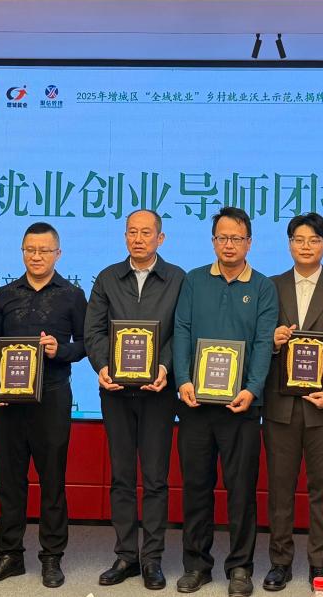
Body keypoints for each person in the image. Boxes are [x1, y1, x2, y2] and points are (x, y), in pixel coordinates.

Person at [172, 206, 278, 597]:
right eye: (222, 237)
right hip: (196, 405)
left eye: (236, 238)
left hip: (242, 407)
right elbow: (181, 330)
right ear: (213, 241)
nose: (228, 244)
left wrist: (253, 388)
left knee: (241, 490)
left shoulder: (263, 287)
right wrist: (183, 379)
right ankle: (196, 565)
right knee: (196, 487)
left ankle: (240, 567)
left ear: (249, 242)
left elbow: (264, 342)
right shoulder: (194, 280)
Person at [0, 222, 87, 587]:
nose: (36, 256)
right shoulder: (5, 295)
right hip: (10, 401)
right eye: (30, 250)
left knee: (52, 479)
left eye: (44, 250)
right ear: (22, 252)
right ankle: (10, 555)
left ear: (58, 253)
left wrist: (61, 350)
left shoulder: (72, 295)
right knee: (9, 480)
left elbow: (86, 344)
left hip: (52, 398)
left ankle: (52, 557)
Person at [85, 210, 186, 590]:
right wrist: (102, 365)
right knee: (122, 476)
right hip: (116, 393)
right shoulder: (108, 278)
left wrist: (164, 366)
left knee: (156, 478)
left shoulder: (177, 278)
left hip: (158, 392)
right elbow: (93, 330)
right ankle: (126, 555)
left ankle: (152, 558)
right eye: (132, 232)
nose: (138, 239)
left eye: (146, 232)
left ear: (161, 238)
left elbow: (182, 331)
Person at [261, 213, 323, 595]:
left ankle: (320, 563)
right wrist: (272, 342)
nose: (306, 246)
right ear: (289, 244)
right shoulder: (270, 286)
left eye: (314, 240)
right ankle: (280, 562)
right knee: (280, 489)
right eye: (299, 239)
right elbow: (257, 341)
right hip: (280, 405)